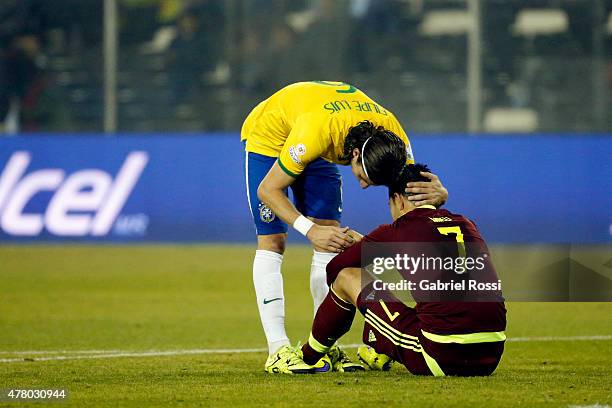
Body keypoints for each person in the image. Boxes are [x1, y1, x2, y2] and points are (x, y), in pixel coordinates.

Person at [241, 81, 448, 373]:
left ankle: (323, 347)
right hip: (275, 136)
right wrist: (309, 230)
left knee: (332, 237)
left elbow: (414, 198)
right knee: (274, 240)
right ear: (353, 156)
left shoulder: (393, 139)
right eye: (364, 178)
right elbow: (267, 190)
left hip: (319, 136)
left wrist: (440, 195)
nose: (363, 186)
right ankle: (277, 350)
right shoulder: (317, 132)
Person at [299, 163, 506, 376]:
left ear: (398, 200)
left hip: (442, 355)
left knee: (347, 278)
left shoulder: (398, 231)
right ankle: (380, 347)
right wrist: (370, 247)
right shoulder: (466, 223)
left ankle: (308, 356)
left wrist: (365, 249)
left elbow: (336, 268)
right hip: (491, 353)